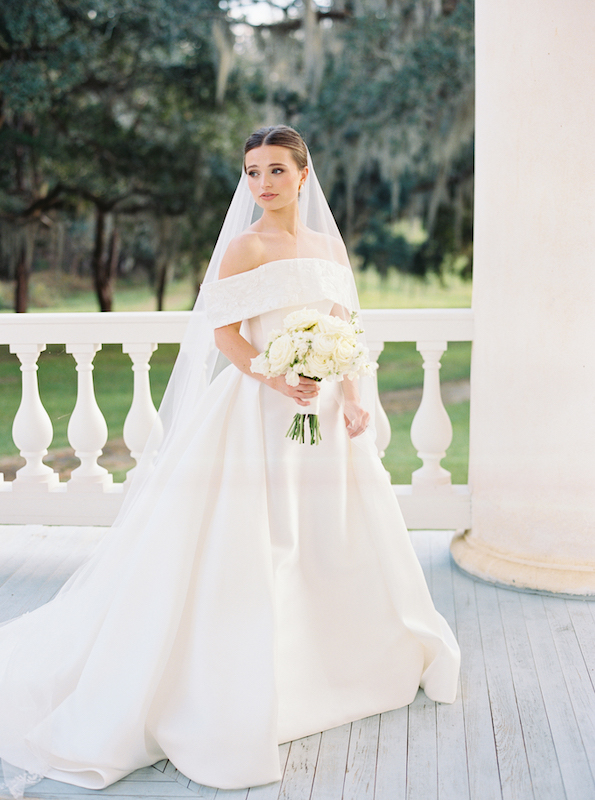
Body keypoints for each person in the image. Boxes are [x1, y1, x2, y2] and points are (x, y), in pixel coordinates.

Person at [0, 125, 460, 798]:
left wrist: (354, 395)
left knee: (329, 537)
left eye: (276, 169)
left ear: (303, 176)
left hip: (325, 414)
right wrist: (275, 378)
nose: (263, 183)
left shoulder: (328, 247)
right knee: (252, 540)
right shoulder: (244, 249)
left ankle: (335, 657)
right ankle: (238, 679)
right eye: (252, 172)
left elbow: (346, 327)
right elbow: (222, 334)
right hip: (257, 411)